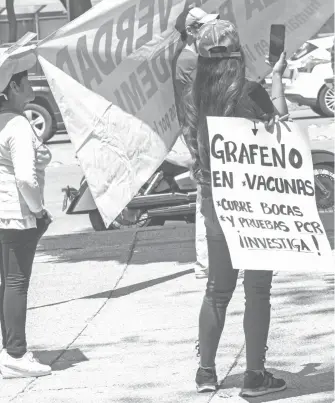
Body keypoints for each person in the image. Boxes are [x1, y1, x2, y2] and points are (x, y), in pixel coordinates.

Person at [181, 19, 289, 396]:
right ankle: (255, 375)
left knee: (217, 289)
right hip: (253, 202)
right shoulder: (250, 93)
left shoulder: (193, 98)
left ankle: (206, 372)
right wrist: (276, 77)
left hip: (214, 200)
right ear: (236, 54)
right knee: (257, 288)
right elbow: (281, 128)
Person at [0, 40, 53, 379]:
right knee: (17, 282)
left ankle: (8, 349)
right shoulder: (18, 123)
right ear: (14, 86)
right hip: (16, 214)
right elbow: (25, 178)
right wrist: (40, 209)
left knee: (6, 282)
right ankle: (16, 354)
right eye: (25, 78)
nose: (31, 82)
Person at [174, 7, 219, 279]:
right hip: (201, 136)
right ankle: (206, 264)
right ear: (192, 31)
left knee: (209, 201)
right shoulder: (190, 61)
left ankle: (210, 262)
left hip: (202, 134)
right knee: (206, 203)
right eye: (203, 26)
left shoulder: (194, 57)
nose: (209, 31)